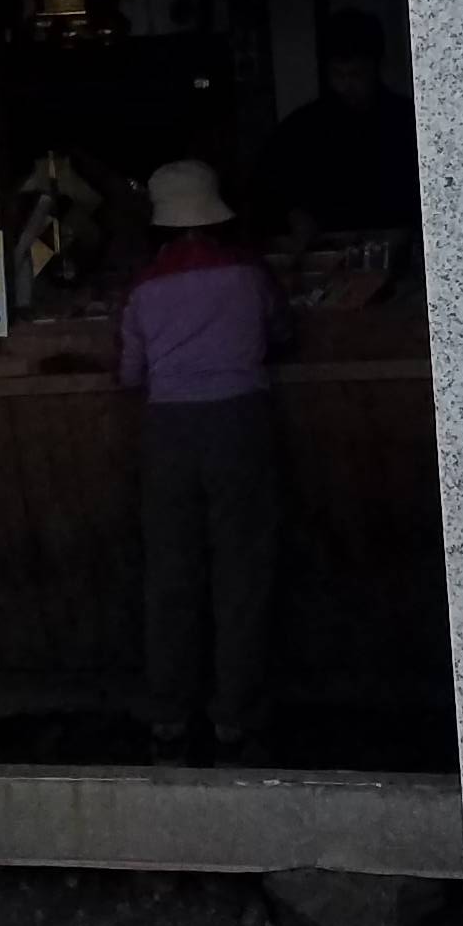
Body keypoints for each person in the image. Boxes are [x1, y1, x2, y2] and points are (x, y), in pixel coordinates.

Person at [119, 161, 289, 764]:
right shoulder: (248, 274)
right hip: (240, 423)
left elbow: (129, 373)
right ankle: (234, 716)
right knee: (241, 573)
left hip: (169, 433)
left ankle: (168, 713)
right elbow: (279, 336)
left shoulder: (143, 287)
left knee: (170, 575)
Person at [257, 6, 421, 241]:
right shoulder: (302, 128)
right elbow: (270, 183)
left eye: (356, 74)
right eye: (337, 75)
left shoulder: (406, 121)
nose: (346, 86)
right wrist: (293, 212)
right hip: (329, 250)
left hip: (398, 245)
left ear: (376, 67)